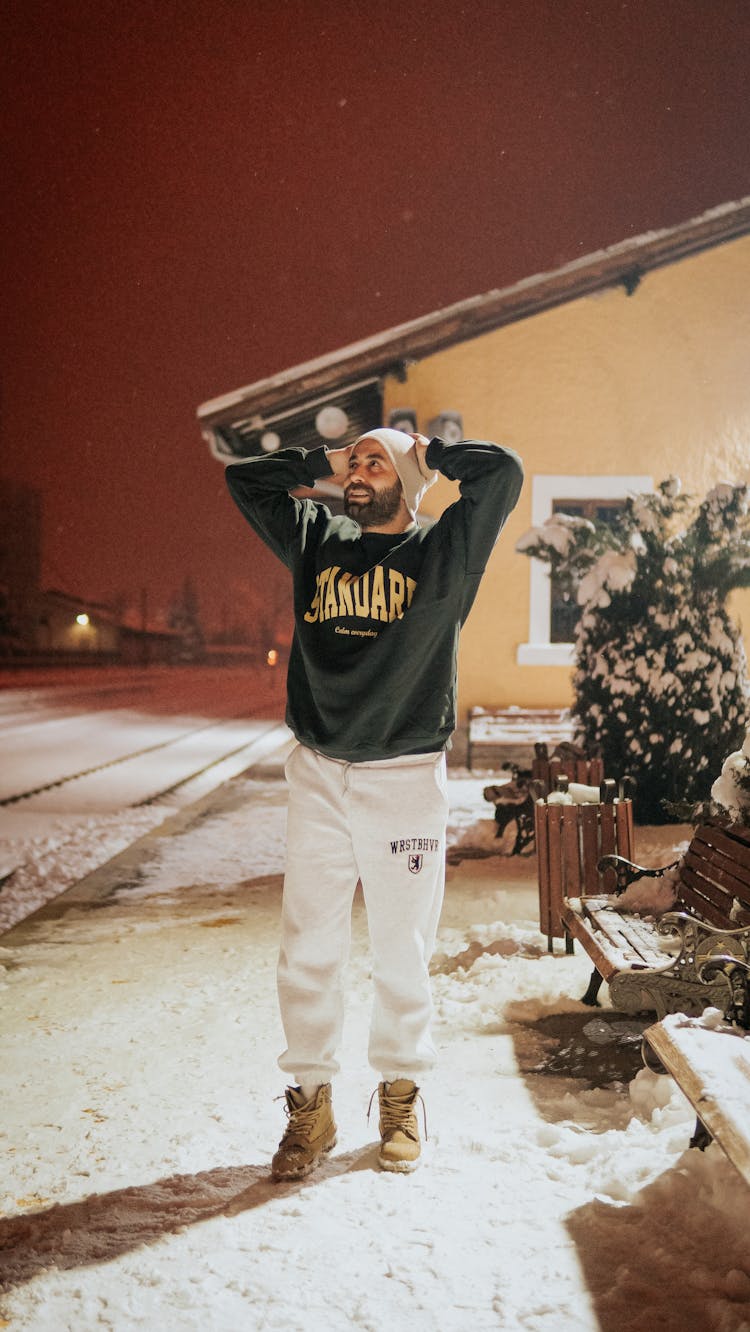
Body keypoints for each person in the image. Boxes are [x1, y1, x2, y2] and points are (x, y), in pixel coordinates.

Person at [223, 425, 523, 1179]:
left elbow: (504, 474)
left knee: (401, 949)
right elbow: (245, 481)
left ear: (410, 476)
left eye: (373, 460)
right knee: (309, 947)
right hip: (319, 770)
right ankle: (312, 1104)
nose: (357, 469)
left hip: (403, 776)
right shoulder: (315, 535)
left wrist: (432, 454)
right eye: (352, 460)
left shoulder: (443, 552)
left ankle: (399, 1092)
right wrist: (322, 461)